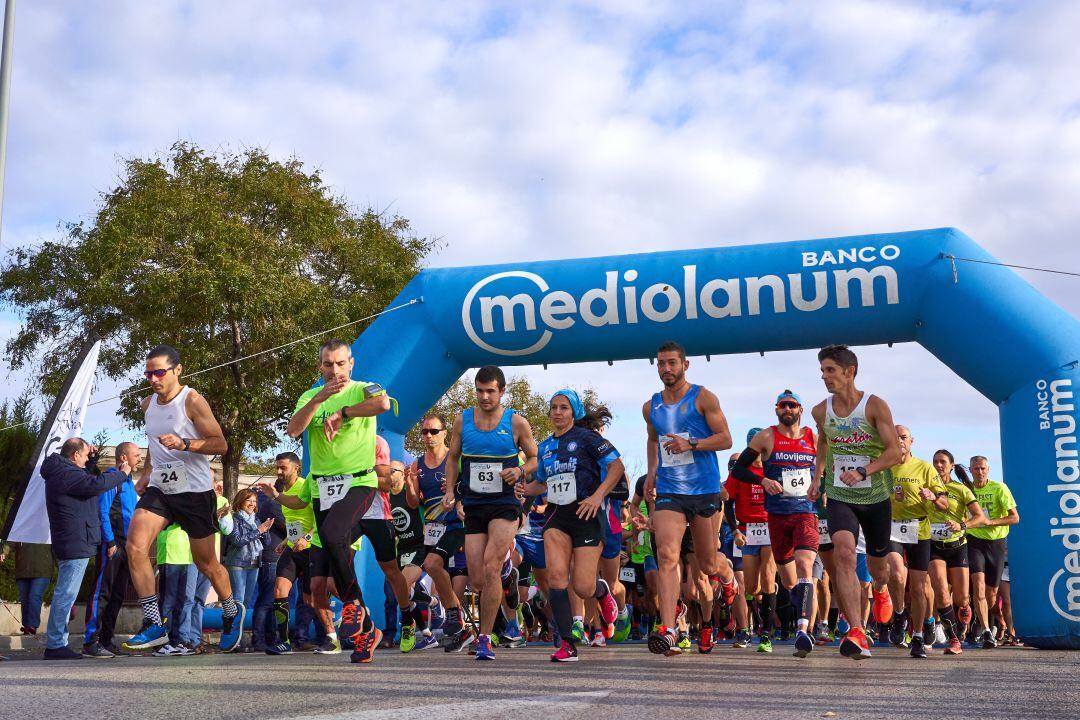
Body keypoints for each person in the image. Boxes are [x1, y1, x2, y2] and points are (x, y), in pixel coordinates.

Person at [266, 338, 398, 664]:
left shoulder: (364, 388)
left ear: (351, 363)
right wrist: (319, 400)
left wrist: (344, 412)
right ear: (320, 366)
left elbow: (383, 404)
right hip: (323, 488)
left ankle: (353, 605)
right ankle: (367, 629)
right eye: (328, 364)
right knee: (325, 568)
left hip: (358, 481)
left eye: (340, 363)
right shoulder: (309, 397)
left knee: (333, 533)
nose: (335, 370)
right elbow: (293, 429)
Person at [124, 345, 242, 653]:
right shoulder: (147, 404)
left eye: (159, 372)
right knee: (135, 547)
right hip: (162, 488)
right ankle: (154, 623)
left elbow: (220, 444)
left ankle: (231, 610)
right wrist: (146, 473)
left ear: (177, 370)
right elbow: (154, 445)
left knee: (206, 563)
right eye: (148, 374)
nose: (153, 379)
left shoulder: (192, 400)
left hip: (194, 492)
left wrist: (185, 443)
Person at [637, 341, 738, 657]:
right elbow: (653, 440)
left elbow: (726, 439)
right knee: (667, 554)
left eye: (671, 363)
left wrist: (691, 443)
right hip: (670, 490)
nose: (666, 369)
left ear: (685, 365)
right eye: (661, 363)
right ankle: (668, 629)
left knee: (707, 564)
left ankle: (728, 577)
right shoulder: (651, 407)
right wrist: (652, 473)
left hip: (703, 490)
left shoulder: (703, 397)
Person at [808, 344, 902, 660]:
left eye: (830, 370)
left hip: (876, 496)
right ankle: (857, 631)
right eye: (822, 370)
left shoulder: (874, 406)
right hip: (840, 495)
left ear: (849, 372)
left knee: (879, 568)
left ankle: (880, 590)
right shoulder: (820, 411)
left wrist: (864, 470)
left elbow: (894, 452)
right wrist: (818, 476)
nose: (824, 376)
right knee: (844, 553)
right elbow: (823, 441)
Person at [443, 365, 538, 661]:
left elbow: (535, 458)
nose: (484, 397)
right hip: (474, 504)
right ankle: (508, 573)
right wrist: (450, 491)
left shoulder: (516, 422)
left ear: (502, 391)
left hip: (505, 503)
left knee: (490, 565)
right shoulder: (463, 420)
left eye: (490, 391)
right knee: (478, 578)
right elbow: (453, 458)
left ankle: (485, 638)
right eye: (480, 391)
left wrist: (519, 470)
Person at [524, 390, 624, 663]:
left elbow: (616, 467)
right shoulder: (544, 447)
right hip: (556, 516)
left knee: (582, 587)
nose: (557, 412)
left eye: (563, 408)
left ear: (574, 412)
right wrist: (523, 489)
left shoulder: (588, 438)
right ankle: (567, 643)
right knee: (557, 577)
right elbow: (542, 483)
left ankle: (600, 591)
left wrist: (598, 496)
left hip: (586, 514)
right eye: (553, 407)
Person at [731, 390, 820, 658]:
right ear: (777, 409)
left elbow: (827, 467)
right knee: (790, 581)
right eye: (783, 405)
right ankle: (799, 603)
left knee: (805, 566)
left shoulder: (813, 438)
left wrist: (821, 485)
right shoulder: (766, 437)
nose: (787, 409)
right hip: (778, 516)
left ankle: (803, 631)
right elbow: (739, 470)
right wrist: (763, 480)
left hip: (805, 512)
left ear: (801, 409)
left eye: (792, 405)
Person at [41, 438, 128, 660]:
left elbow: (85, 481)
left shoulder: (64, 472)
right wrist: (122, 474)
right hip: (74, 541)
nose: (87, 457)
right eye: (85, 454)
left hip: (74, 540)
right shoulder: (65, 474)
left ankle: (57, 643)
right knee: (66, 594)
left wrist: (91, 461)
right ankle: (55, 644)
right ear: (75, 455)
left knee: (66, 594)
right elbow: (95, 484)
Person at [406, 414, 470, 651]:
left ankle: (454, 613)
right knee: (404, 581)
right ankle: (443, 622)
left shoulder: (456, 459)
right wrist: (410, 486)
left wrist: (457, 495)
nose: (428, 436)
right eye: (424, 432)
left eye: (434, 431)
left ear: (445, 433)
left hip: (456, 527)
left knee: (435, 565)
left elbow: (471, 488)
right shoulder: (417, 465)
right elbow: (413, 503)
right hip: (431, 530)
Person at [884, 426, 947, 659]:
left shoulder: (924, 467)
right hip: (892, 527)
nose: (899, 441)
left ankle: (918, 635)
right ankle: (900, 613)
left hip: (919, 528)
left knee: (919, 587)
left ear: (912, 441)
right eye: (895, 437)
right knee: (896, 572)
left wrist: (933, 496)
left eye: (903, 437)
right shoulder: (883, 465)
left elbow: (944, 503)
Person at [84, 442, 141, 656]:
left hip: (127, 545)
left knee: (117, 595)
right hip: (112, 544)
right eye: (136, 455)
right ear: (124, 458)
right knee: (102, 592)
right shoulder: (111, 479)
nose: (140, 458)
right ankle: (91, 641)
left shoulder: (129, 483)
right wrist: (109, 543)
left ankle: (106, 640)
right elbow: (103, 511)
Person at [927, 450, 986, 655]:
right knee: (942, 592)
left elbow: (979, 517)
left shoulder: (961, 489)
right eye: (935, 461)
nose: (939, 465)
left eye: (943, 462)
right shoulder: (927, 487)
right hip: (933, 546)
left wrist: (962, 525)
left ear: (951, 465)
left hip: (957, 546)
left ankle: (964, 609)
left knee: (961, 598)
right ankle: (953, 639)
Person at [724, 431, 775, 653]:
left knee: (768, 579)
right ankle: (747, 625)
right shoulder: (740, 472)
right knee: (751, 587)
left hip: (770, 528)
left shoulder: (772, 468)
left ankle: (766, 635)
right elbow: (728, 503)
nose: (759, 453)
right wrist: (735, 530)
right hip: (746, 531)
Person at [966, 455, 1019, 648]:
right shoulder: (966, 489)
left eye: (983, 468)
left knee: (992, 593)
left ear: (988, 469)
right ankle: (984, 627)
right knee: (978, 585)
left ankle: (988, 620)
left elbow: (1015, 518)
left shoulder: (999, 488)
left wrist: (990, 522)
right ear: (970, 470)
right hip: (974, 541)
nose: (980, 472)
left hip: (996, 543)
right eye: (976, 468)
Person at [389, 458, 438, 652]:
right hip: (402, 548)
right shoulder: (386, 496)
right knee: (404, 595)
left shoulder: (410, 490)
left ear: (402, 474)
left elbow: (416, 500)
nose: (388, 474)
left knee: (402, 585)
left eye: (392, 470)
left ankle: (408, 627)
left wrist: (411, 483)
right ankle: (427, 633)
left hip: (420, 545)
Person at [219, 488, 274, 650]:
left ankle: (239, 638)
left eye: (254, 501)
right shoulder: (234, 518)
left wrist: (265, 531)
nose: (252, 504)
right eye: (248, 500)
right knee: (237, 602)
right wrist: (259, 530)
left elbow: (267, 543)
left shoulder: (256, 519)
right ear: (240, 502)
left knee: (245, 603)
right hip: (237, 563)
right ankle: (232, 638)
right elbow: (237, 540)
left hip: (254, 563)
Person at [154, 521, 199, 656]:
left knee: (179, 603)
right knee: (167, 603)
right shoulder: (169, 506)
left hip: (184, 556)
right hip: (169, 554)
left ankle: (175, 640)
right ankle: (161, 643)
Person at [0, 541, 53, 636]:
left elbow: (58, 545)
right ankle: (27, 626)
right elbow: (11, 543)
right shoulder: (21, 531)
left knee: (34, 596)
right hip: (22, 571)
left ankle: (32, 625)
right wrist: (3, 552)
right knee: (24, 599)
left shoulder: (48, 532)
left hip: (42, 571)